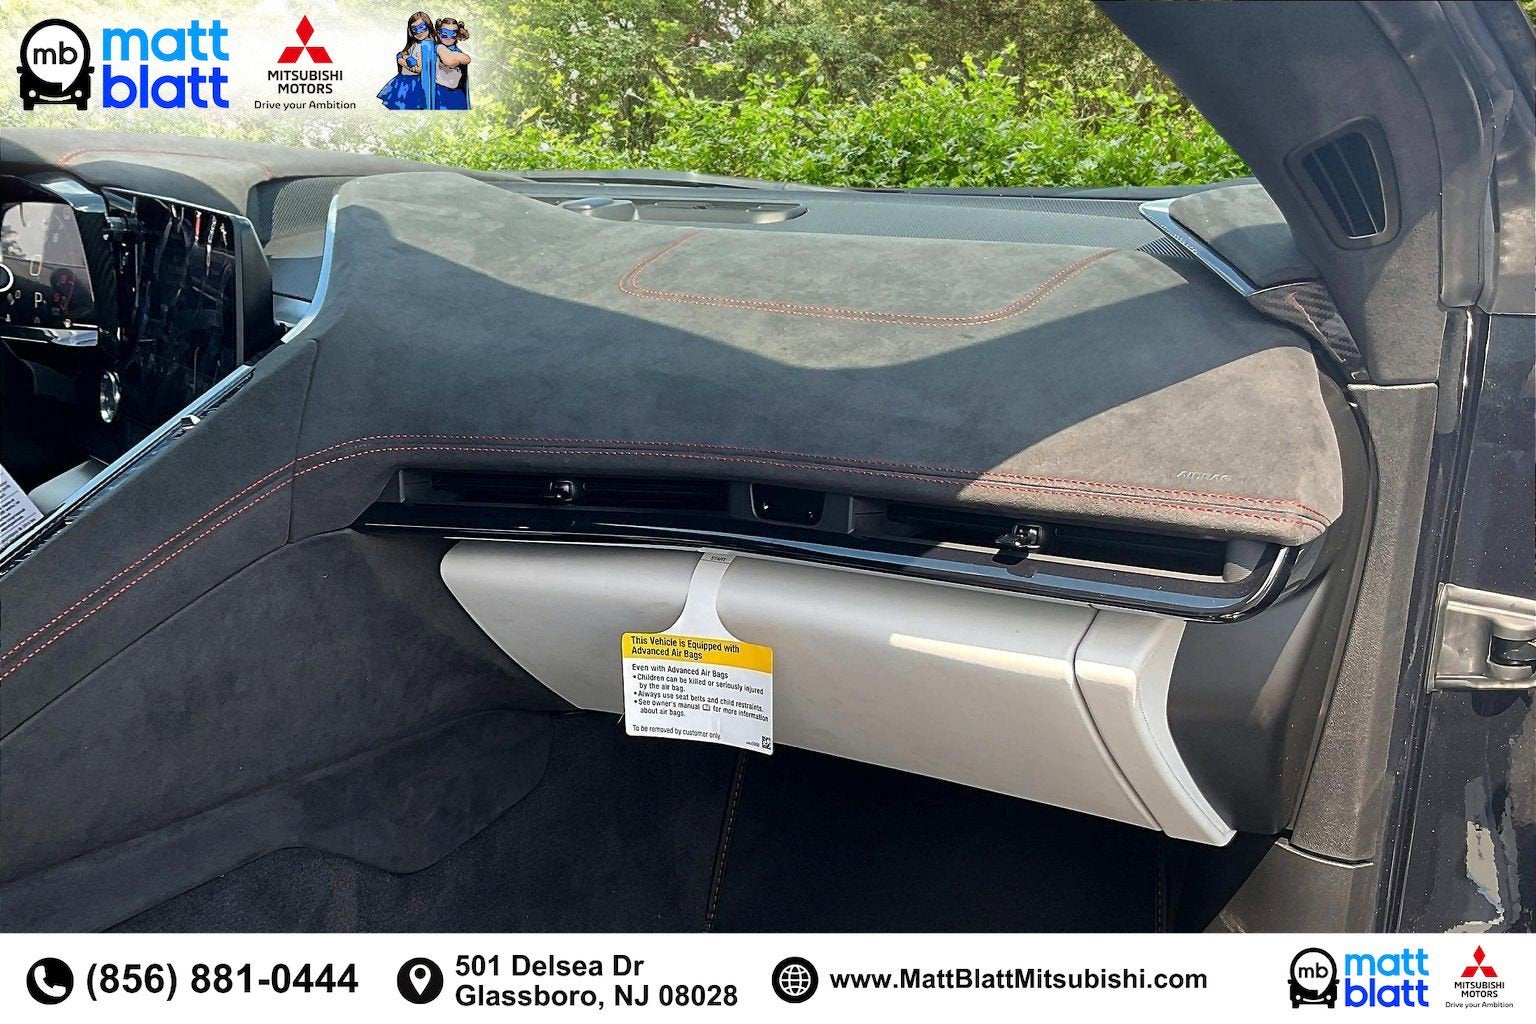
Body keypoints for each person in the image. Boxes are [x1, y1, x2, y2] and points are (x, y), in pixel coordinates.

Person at [377, 12, 437, 110]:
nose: (419, 32)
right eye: (414, 30)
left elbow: (417, 69)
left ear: (428, 25)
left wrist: (401, 60)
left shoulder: (427, 46)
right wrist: (405, 57)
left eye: (422, 27)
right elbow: (406, 54)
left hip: (413, 84)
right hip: (403, 81)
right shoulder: (415, 44)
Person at [433, 17, 471, 110]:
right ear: (438, 33)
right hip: (440, 92)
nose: (448, 37)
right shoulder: (439, 47)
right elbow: (450, 62)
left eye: (453, 34)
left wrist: (454, 56)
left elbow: (467, 59)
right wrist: (456, 58)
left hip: (456, 92)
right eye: (445, 33)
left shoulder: (455, 50)